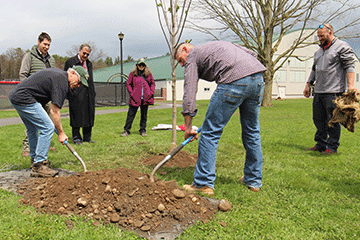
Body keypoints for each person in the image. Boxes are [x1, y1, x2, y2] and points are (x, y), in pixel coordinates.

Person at [175, 41, 267, 196]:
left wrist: (188, 126)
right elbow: (252, 54)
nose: (183, 65)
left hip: (233, 81)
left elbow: (189, 90)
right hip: (257, 80)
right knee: (252, 132)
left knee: (210, 133)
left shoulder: (193, 54)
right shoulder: (219, 45)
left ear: (185, 49)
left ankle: (203, 183)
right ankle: (253, 180)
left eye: (180, 60)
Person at [9, 66, 88, 177]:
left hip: (16, 96)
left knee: (32, 129)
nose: (78, 85)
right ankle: (39, 164)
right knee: (47, 127)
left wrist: (57, 128)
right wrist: (61, 132)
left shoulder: (58, 76)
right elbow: (54, 111)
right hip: (24, 98)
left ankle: (35, 160)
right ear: (73, 73)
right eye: (79, 81)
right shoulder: (62, 81)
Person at [303, 23, 357, 155]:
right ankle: (320, 144)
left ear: (330, 33)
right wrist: (308, 84)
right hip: (319, 91)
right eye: (318, 36)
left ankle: (332, 147)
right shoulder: (318, 52)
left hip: (333, 91)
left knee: (332, 121)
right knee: (318, 119)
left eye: (322, 36)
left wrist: (350, 86)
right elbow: (314, 69)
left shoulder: (342, 47)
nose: (320, 38)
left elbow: (350, 66)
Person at [19, 32, 56, 157]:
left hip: (47, 97)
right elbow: (23, 74)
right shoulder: (29, 56)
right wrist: (28, 91)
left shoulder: (51, 60)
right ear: (39, 42)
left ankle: (45, 145)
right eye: (45, 44)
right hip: (33, 96)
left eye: (49, 45)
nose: (46, 47)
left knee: (47, 123)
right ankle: (27, 147)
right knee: (32, 123)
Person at [64, 44, 96, 145]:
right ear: (79, 51)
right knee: (76, 116)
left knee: (89, 115)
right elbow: (66, 78)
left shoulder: (89, 64)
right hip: (76, 93)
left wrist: (92, 93)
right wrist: (70, 93)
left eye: (88, 54)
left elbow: (90, 80)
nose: (85, 55)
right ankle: (76, 137)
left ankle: (87, 137)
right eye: (84, 53)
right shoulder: (71, 62)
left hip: (88, 94)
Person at [121, 58, 155, 137]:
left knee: (144, 115)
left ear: (145, 66)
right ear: (137, 65)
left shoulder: (148, 74)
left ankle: (143, 130)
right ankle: (126, 130)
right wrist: (132, 93)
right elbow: (128, 84)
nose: (141, 66)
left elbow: (152, 83)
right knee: (130, 115)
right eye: (140, 65)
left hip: (145, 98)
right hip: (135, 98)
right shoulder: (132, 74)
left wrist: (150, 92)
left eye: (143, 65)